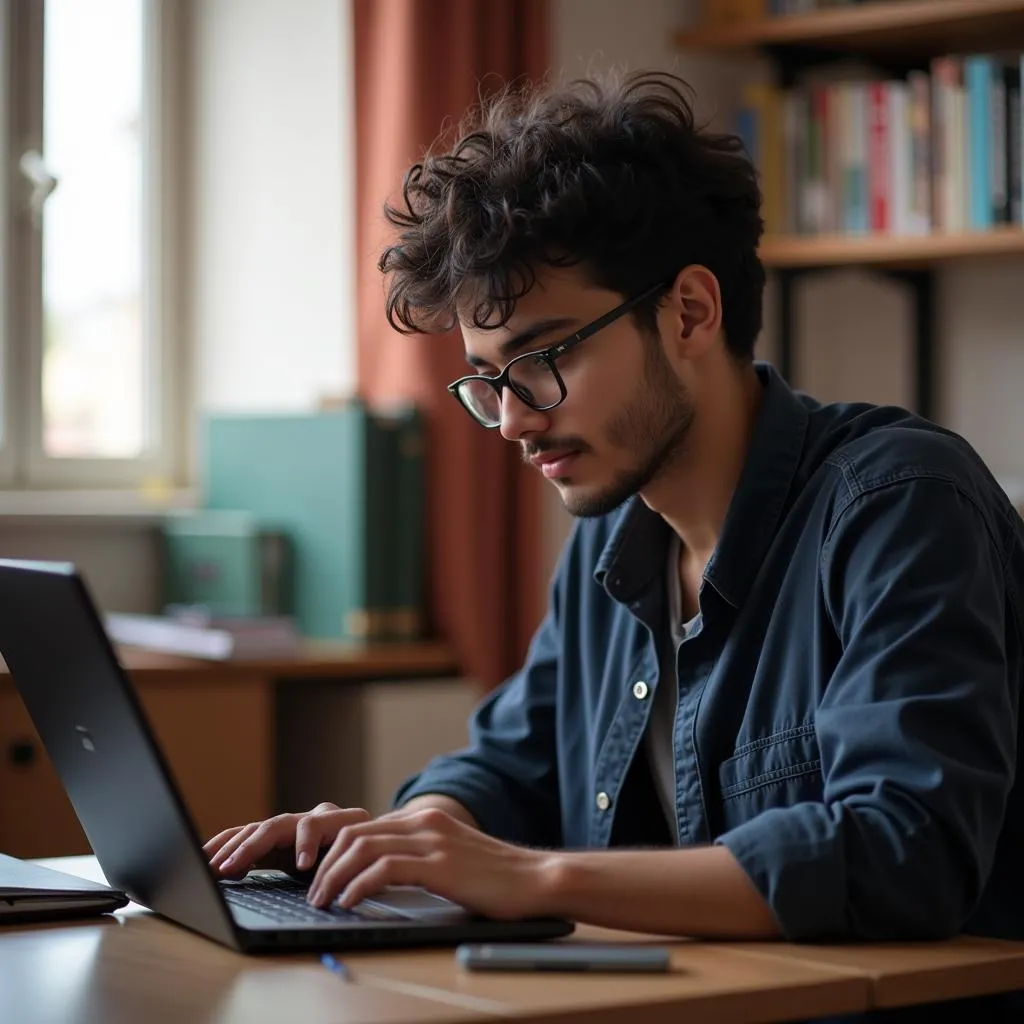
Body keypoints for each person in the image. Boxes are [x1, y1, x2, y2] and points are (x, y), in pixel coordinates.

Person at [205, 70, 1024, 1015]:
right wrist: (412, 836)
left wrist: (536, 878)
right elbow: (509, 766)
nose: (511, 421)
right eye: (485, 380)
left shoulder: (899, 504)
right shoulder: (617, 543)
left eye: (543, 360)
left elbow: (899, 854)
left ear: (689, 312)